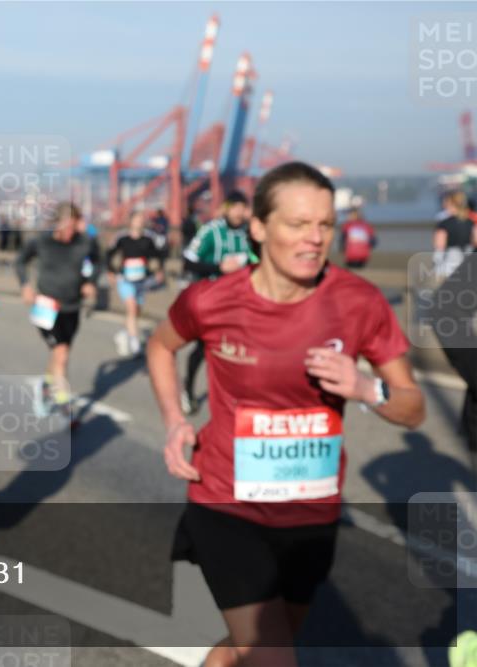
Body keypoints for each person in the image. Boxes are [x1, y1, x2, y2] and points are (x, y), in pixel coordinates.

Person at [147, 162, 425, 667]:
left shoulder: (358, 302)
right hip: (227, 504)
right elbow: (160, 347)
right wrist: (174, 420)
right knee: (273, 657)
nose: (314, 238)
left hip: (312, 511)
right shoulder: (211, 300)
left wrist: (366, 387)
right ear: (259, 228)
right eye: (298, 224)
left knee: (248, 648)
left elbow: (413, 409)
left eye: (324, 225)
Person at [16, 202, 101, 417]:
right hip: (46, 308)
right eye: (66, 227)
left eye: (74, 227)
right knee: (61, 354)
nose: (70, 232)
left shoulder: (84, 242)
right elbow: (20, 261)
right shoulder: (41, 242)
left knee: (60, 354)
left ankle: (45, 386)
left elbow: (99, 261)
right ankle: (66, 408)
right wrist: (25, 285)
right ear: (56, 223)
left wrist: (90, 281)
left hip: (72, 306)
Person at [179, 191, 254, 415]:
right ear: (226, 208)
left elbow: (257, 260)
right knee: (203, 348)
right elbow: (188, 262)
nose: (240, 213)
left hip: (240, 300)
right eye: (235, 207)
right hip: (212, 298)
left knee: (239, 350)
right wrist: (218, 268)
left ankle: (232, 396)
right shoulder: (211, 231)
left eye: (243, 208)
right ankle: (189, 389)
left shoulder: (247, 233)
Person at [106, 210, 168, 357]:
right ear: (131, 221)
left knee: (136, 311)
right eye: (137, 219)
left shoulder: (149, 238)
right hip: (125, 279)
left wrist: (159, 271)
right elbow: (109, 254)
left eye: (142, 219)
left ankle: (124, 333)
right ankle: (135, 345)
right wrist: (111, 272)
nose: (140, 222)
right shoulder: (121, 237)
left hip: (141, 280)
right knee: (132, 308)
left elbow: (157, 255)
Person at [434, 191, 477, 279]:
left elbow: (439, 245)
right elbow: (475, 241)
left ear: (450, 203)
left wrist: (436, 263)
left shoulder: (444, 223)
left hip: (450, 260)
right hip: (468, 259)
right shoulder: (472, 222)